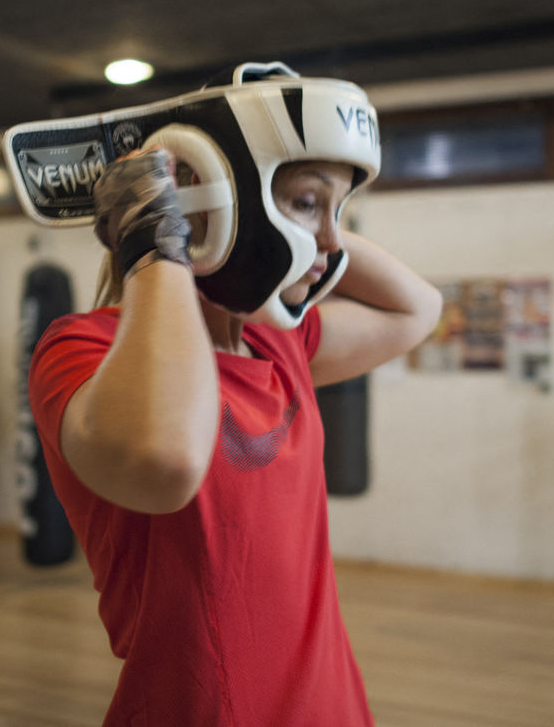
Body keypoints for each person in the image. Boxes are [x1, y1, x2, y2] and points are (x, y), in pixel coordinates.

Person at [25, 70, 442, 725]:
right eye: (306, 203)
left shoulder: (278, 342)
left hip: (333, 706)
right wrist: (173, 228)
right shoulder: (81, 350)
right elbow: (166, 461)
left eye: (338, 212)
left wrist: (287, 211)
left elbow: (418, 309)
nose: (331, 242)